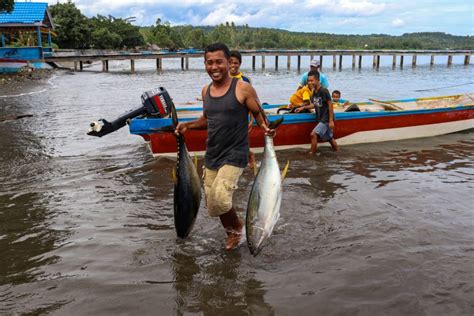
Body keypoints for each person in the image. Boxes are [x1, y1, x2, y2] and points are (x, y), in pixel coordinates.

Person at [175, 43, 274, 251]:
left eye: (219, 61)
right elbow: (206, 120)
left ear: (229, 63)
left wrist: (266, 129)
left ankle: (238, 230)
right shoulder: (206, 91)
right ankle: (232, 231)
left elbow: (259, 115)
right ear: (205, 64)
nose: (214, 67)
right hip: (212, 154)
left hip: (235, 153)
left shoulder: (242, 88)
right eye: (209, 62)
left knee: (220, 198)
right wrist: (188, 125)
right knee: (213, 203)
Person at [295, 70, 338, 153]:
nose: (309, 83)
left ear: (318, 80)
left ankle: (312, 155)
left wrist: (331, 121)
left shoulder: (324, 91)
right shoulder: (314, 92)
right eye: (308, 81)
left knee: (313, 134)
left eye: (312, 80)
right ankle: (337, 152)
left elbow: (330, 105)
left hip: (326, 118)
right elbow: (315, 104)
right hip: (320, 118)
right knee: (329, 138)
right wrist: (303, 108)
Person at [229, 50, 255, 167]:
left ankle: (250, 159)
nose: (233, 65)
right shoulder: (223, 77)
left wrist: (251, 120)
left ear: (240, 64)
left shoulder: (246, 80)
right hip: (228, 117)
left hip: (242, 117)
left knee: (242, 143)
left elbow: (252, 100)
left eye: (236, 63)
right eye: (231, 62)